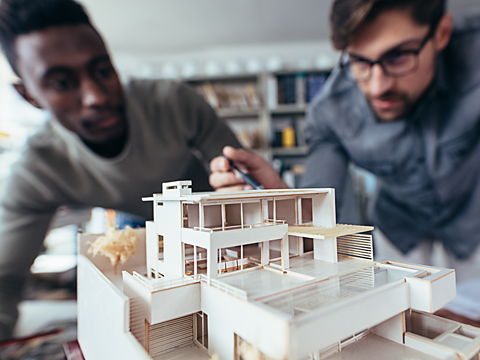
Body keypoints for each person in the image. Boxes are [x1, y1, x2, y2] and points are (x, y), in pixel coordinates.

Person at [210, 0, 480, 325]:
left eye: (398, 56)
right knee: (412, 318)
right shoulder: (330, 112)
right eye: (359, 60)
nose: (377, 85)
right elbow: (317, 212)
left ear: (442, 33)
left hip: (472, 217)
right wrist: (280, 197)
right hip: (400, 226)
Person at [0, 0, 240, 339]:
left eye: (101, 71)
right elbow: (4, 282)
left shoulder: (174, 102)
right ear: (29, 95)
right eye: (62, 83)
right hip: (134, 227)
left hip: (213, 226)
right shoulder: (36, 170)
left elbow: (248, 182)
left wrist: (241, 193)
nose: (95, 96)